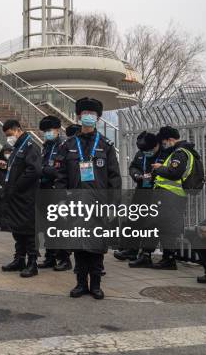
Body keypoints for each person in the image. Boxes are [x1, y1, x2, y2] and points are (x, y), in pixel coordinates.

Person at [55, 98, 121, 299]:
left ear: (98, 118)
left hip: (98, 205)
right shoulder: (68, 145)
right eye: (85, 113)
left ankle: (96, 285)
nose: (89, 117)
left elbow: (114, 177)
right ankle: (81, 283)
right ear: (78, 116)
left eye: (92, 114)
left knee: (97, 245)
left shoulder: (106, 146)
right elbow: (61, 177)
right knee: (78, 245)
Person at [151, 125, 203, 270]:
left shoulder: (180, 153)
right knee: (166, 227)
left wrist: (158, 168)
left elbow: (174, 173)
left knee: (167, 228)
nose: (163, 145)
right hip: (171, 196)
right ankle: (168, 258)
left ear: (170, 139)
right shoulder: (181, 151)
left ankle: (169, 260)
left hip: (171, 196)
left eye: (164, 142)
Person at [0, 120, 42, 278]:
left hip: (26, 197)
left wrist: (17, 185)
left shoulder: (30, 146)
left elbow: (34, 170)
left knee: (29, 231)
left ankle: (32, 263)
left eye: (9, 134)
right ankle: (19, 259)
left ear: (17, 130)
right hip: (16, 198)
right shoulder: (17, 148)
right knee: (18, 230)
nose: (8, 138)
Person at [125, 131, 168, 268]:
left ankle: (145, 254)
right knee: (134, 220)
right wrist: (137, 174)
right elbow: (133, 167)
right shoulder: (142, 152)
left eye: (149, 150)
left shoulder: (166, 154)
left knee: (151, 224)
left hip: (158, 193)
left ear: (156, 145)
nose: (146, 153)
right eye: (144, 151)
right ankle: (131, 250)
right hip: (142, 190)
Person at [37, 115, 72, 272]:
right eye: (45, 131)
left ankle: (64, 258)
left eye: (49, 130)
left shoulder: (64, 145)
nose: (47, 133)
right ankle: (50, 257)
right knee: (47, 226)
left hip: (58, 190)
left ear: (57, 130)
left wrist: (43, 170)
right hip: (44, 189)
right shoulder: (46, 146)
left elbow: (60, 171)